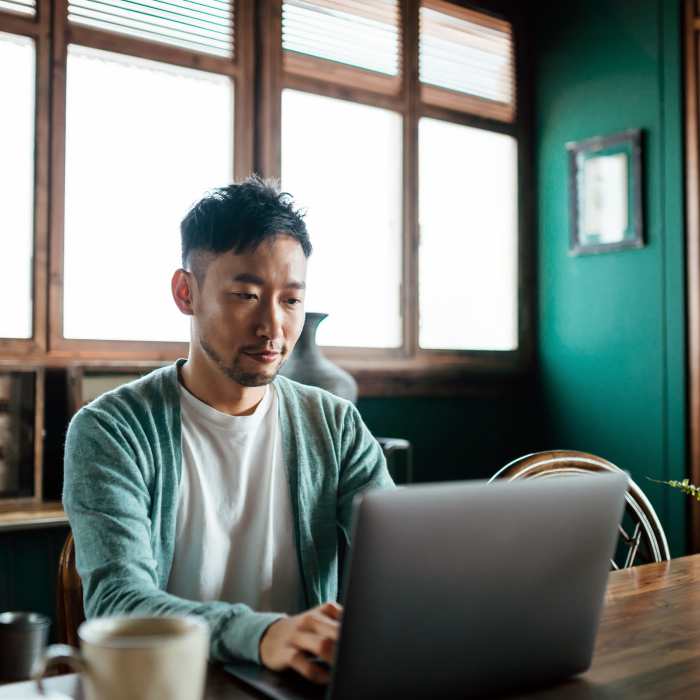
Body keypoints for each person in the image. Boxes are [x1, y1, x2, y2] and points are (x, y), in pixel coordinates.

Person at [63, 176, 394, 685]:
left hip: (299, 686)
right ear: (185, 292)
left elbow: (399, 559)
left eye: (290, 301)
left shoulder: (334, 424)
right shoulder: (110, 430)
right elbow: (118, 600)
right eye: (246, 295)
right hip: (172, 687)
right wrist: (263, 635)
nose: (272, 326)